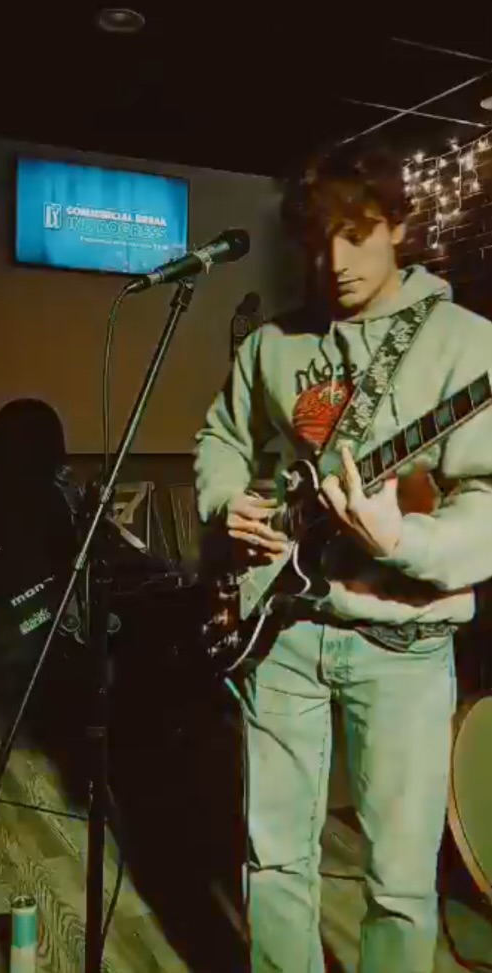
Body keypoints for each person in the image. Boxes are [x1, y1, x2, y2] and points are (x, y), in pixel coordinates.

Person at [193, 144, 492, 973]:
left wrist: (402, 540)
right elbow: (222, 436)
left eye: (355, 234)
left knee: (399, 882)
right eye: (317, 239)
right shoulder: (273, 344)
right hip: (281, 628)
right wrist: (228, 501)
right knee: (273, 859)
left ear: (398, 224)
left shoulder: (468, 347)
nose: (334, 261)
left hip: (402, 641)